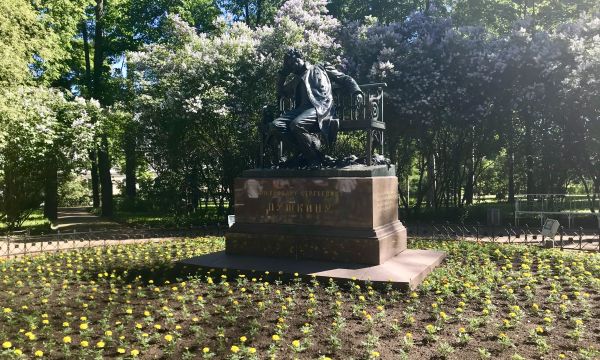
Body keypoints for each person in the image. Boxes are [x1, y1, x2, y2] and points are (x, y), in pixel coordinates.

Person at [268, 48, 363, 167]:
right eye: (290, 65)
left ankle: (313, 159)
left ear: (300, 58)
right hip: (301, 110)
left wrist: (356, 91)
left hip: (320, 108)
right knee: (275, 125)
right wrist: (282, 74)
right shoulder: (296, 80)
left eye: (293, 62)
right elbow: (281, 92)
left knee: (296, 125)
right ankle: (310, 148)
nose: (292, 66)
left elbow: (344, 78)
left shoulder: (320, 67)